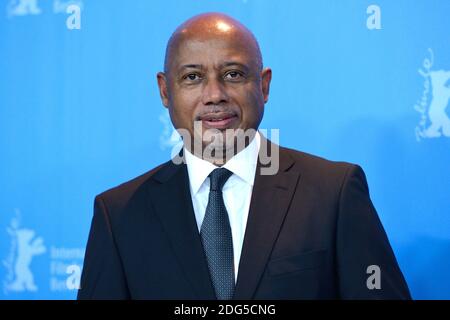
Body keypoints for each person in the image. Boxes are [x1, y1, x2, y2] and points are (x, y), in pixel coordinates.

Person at [77, 12, 411, 300]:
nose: (214, 95)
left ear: (263, 85)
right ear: (166, 91)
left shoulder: (333, 193)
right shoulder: (118, 214)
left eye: (233, 75)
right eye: (192, 77)